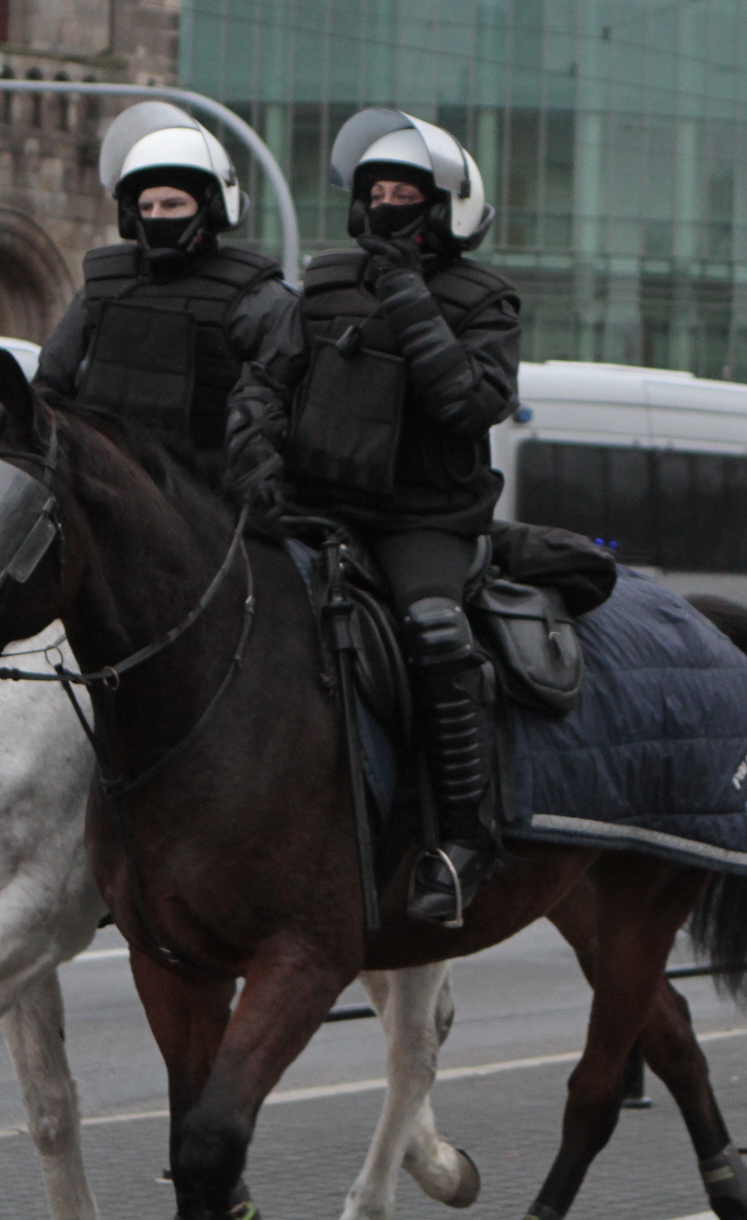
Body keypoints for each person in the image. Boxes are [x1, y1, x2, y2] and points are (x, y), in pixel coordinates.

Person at [228, 109, 520, 927]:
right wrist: (256, 468)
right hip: (316, 508)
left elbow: (470, 404)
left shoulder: (484, 300)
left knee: (434, 629)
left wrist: (404, 293)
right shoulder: (321, 283)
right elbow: (264, 384)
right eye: (377, 191)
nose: (387, 204)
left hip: (423, 521)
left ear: (447, 206)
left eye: (405, 192)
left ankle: (464, 838)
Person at [35, 102, 296, 492]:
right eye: (146, 207)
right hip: (99, 488)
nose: (156, 216)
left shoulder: (258, 299)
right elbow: (47, 386)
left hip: (209, 501)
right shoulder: (102, 286)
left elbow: (280, 406)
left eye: (173, 204)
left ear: (209, 208)